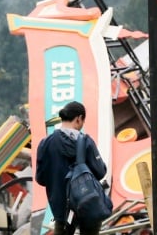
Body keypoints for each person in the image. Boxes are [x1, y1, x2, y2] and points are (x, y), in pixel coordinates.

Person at [35, 101, 107, 235]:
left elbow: (40, 179)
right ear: (79, 118)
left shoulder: (45, 144)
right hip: (87, 204)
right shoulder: (85, 141)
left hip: (61, 209)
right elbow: (100, 172)